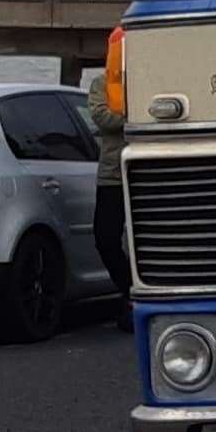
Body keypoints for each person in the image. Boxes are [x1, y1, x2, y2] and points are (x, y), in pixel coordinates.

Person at [87, 72, 133, 329]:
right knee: (105, 238)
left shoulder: (151, 76)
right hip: (113, 174)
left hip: (146, 172)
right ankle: (129, 290)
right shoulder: (102, 83)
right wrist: (136, 118)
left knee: (146, 240)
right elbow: (102, 117)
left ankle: (138, 297)